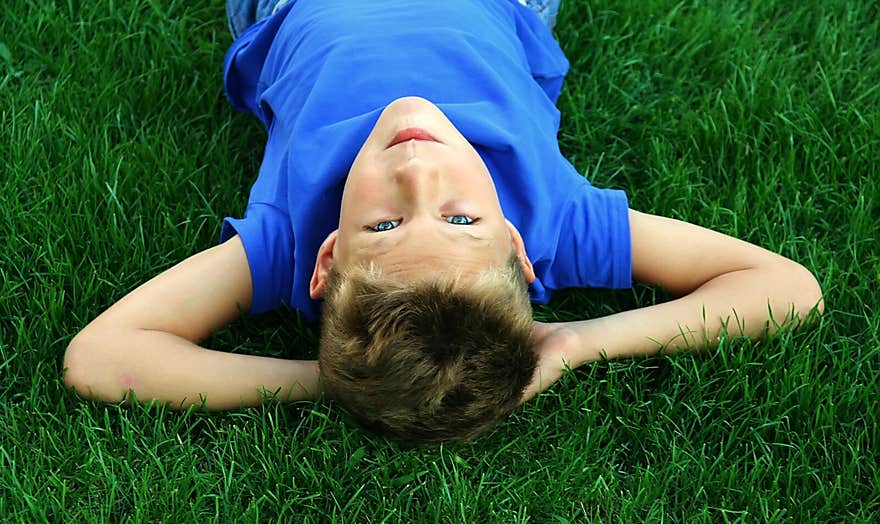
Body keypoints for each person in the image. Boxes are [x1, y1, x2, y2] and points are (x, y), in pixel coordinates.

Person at [62, 0, 825, 446]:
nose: (419, 170)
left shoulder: (286, 245)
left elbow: (99, 356)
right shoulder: (554, 219)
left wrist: (325, 382)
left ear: (327, 262)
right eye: (463, 216)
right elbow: (787, 287)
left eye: (384, 227)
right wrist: (576, 343)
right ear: (516, 248)